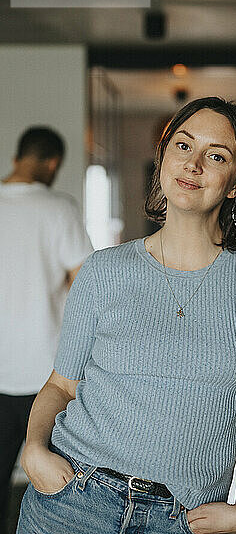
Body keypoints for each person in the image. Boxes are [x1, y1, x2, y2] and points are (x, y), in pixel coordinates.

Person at [16, 98, 236, 534]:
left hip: (183, 518)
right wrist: (33, 449)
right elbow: (61, 385)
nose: (194, 164)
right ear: (163, 157)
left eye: (216, 155)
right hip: (73, 500)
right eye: (183, 146)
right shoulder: (103, 271)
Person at [0, 126, 93, 530]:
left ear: (18, 156)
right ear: (53, 162)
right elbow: (86, 282)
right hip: (47, 375)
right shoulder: (59, 208)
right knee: (57, 483)